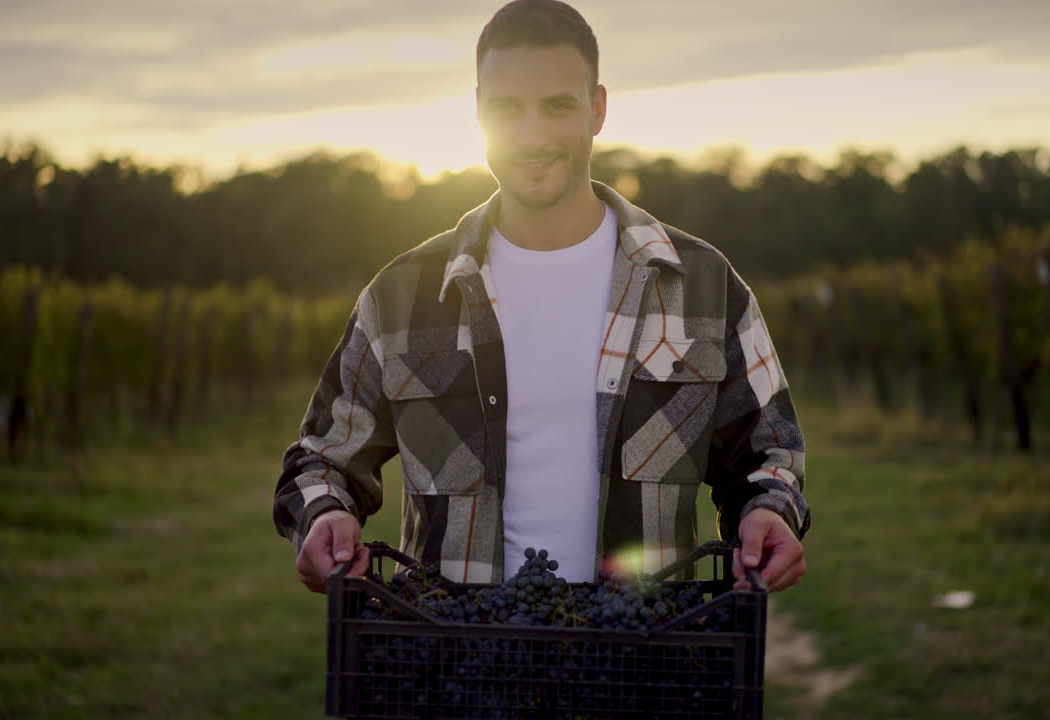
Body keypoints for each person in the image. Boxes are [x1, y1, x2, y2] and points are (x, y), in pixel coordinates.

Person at [273, 0, 809, 595]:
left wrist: (769, 512)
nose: (532, 137)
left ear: (598, 109)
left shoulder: (703, 286)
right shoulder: (401, 296)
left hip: (643, 660)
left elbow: (770, 454)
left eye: (557, 106)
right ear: (478, 112)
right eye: (507, 109)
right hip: (454, 661)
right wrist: (324, 514)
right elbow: (321, 459)